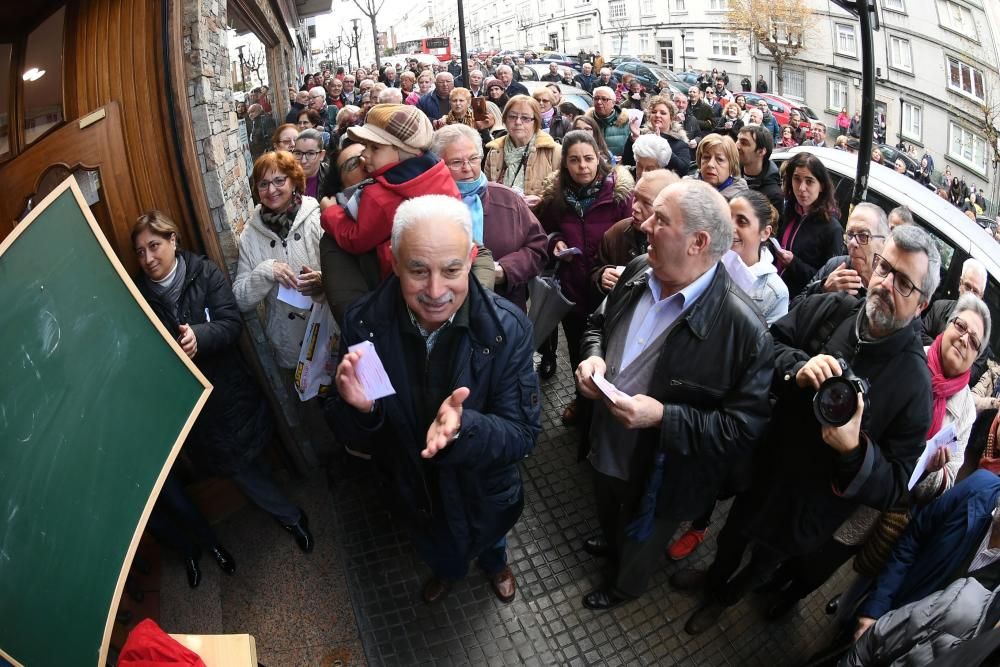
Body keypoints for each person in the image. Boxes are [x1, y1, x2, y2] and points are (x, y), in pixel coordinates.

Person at [676, 224, 940, 634]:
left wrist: (855, 452)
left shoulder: (915, 387)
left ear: (922, 305)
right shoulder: (834, 308)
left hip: (811, 508)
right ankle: (712, 580)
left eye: (904, 282)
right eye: (884, 267)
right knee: (732, 534)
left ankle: (725, 600)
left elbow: (895, 487)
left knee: (763, 564)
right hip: (764, 467)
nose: (886, 284)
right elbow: (767, 344)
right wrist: (797, 368)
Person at [326, 195, 541, 605]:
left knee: (490, 540)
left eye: (451, 270)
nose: (436, 290)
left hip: (482, 493)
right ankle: (448, 571)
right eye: (419, 270)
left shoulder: (507, 329)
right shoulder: (365, 324)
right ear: (393, 259)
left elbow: (523, 434)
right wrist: (364, 410)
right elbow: (358, 433)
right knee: (436, 547)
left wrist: (466, 429)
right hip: (413, 491)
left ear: (471, 257)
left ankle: (495, 564)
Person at [574, 179, 774, 610]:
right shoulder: (637, 270)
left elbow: (742, 430)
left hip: (663, 473)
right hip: (606, 443)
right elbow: (596, 324)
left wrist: (665, 418)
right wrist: (592, 357)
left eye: (660, 220)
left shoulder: (746, 332)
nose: (643, 224)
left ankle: (623, 587)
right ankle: (612, 543)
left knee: (642, 539)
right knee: (610, 509)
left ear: (698, 242)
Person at [133, 212, 314, 558]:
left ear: (173, 240)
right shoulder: (139, 295)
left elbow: (231, 322)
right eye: (140, 252)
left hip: (230, 390)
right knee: (236, 465)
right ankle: (290, 516)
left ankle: (287, 506)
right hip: (194, 406)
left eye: (154, 246)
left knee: (253, 452)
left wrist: (199, 336)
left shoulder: (204, 272)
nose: (148, 258)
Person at [534, 130, 634, 429]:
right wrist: (555, 243)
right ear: (565, 163)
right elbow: (542, 233)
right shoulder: (555, 199)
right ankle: (582, 402)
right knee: (580, 351)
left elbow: (633, 237)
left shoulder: (619, 196)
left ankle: (608, 410)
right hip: (574, 290)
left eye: (588, 159)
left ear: (599, 158)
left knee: (613, 353)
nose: (583, 167)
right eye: (575, 160)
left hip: (611, 292)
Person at [321, 103, 459, 282]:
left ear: (403, 150)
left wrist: (331, 211)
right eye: (366, 146)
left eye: (375, 148)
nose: (365, 155)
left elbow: (356, 239)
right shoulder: (439, 172)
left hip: (398, 281)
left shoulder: (378, 195)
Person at [432, 124, 547, 311]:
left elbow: (538, 248)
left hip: (503, 310)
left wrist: (506, 270)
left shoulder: (507, 199)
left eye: (473, 158)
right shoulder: (427, 204)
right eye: (456, 162)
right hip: (443, 310)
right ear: (438, 163)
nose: (467, 168)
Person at [233, 151, 323, 371]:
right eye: (263, 184)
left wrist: (323, 281)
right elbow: (240, 299)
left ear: (294, 181)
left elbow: (346, 275)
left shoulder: (317, 218)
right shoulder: (251, 235)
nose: (271, 190)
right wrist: (266, 271)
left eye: (279, 180)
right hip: (287, 343)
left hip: (326, 331)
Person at [591, 169, 679, 296]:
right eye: (635, 198)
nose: (635, 207)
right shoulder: (615, 234)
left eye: (646, 202)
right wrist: (601, 277)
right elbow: (594, 274)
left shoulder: (681, 242)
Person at [790, 203, 889, 309]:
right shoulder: (835, 266)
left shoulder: (890, 286)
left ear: (884, 241)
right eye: (850, 235)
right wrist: (822, 290)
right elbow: (794, 308)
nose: (853, 243)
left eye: (863, 235)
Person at [772, 151, 844, 297]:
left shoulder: (832, 229)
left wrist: (793, 263)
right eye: (797, 179)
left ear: (822, 186)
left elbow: (826, 282)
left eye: (809, 181)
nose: (801, 188)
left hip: (798, 305)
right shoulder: (789, 210)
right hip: (771, 291)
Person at [483, 96, 562, 209]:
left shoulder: (554, 152)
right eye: (512, 116)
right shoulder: (495, 151)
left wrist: (543, 201)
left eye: (525, 118)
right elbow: (486, 190)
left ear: (536, 122)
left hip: (539, 219)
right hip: (504, 217)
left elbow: (564, 193)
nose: (518, 122)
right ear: (505, 120)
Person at [922, 258, 992, 385]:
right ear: (960, 284)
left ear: (981, 296)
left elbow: (970, 376)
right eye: (967, 286)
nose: (970, 294)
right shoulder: (939, 307)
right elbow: (919, 334)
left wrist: (940, 351)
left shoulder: (981, 340)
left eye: (975, 291)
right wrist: (949, 352)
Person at [729, 190, 789, 325]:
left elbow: (764, 344)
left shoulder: (775, 293)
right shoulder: (706, 263)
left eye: (742, 222)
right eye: (728, 218)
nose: (731, 227)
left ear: (765, 233)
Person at [621, 96, 691, 177]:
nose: (657, 115)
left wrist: (662, 145)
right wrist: (634, 138)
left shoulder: (679, 142)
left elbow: (683, 170)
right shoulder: (643, 136)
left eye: (663, 113)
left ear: (671, 118)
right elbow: (627, 162)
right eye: (654, 112)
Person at [736, 125, 783, 212]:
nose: (737, 146)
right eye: (737, 140)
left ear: (761, 151)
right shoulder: (731, 176)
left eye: (744, 143)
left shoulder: (773, 196)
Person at [692, 133, 748, 199]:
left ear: (732, 166)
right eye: (706, 157)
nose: (710, 164)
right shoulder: (684, 189)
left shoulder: (742, 201)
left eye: (720, 159)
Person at [586, 86, 632, 159]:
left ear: (613, 103)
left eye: (604, 99)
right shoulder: (586, 122)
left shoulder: (626, 121)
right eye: (596, 98)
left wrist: (623, 160)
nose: (599, 102)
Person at [292, 129, 329, 200]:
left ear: (322, 155)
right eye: (298, 153)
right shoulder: (286, 177)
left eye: (310, 153)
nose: (303, 161)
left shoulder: (332, 177)